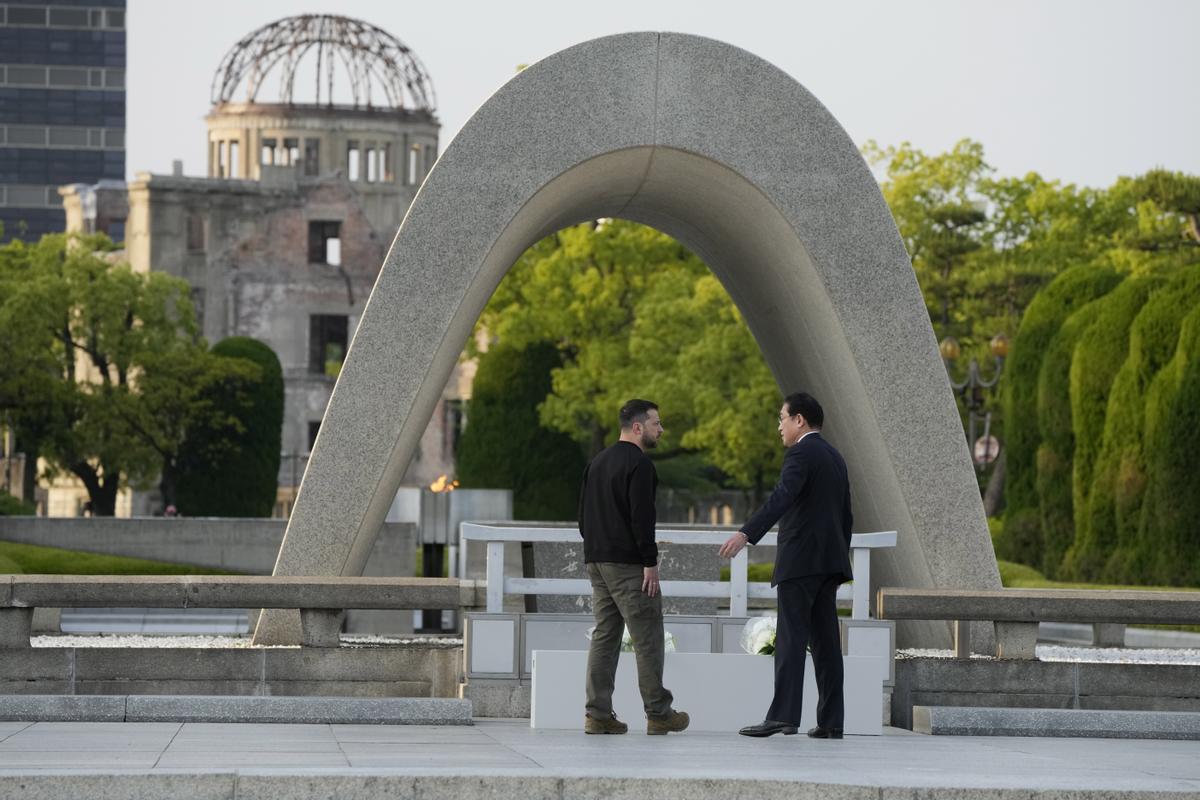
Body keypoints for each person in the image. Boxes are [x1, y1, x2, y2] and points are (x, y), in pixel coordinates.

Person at [719, 392, 853, 739]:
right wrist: (838, 557)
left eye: (782, 418)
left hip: (800, 562)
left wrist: (746, 533)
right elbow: (846, 516)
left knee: (791, 640)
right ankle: (831, 722)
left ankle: (783, 716)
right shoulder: (836, 457)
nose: (779, 426)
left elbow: (782, 496)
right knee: (826, 645)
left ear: (800, 420)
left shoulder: (800, 454)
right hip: (829, 564)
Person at [577, 399, 690, 736]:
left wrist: (598, 547)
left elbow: (583, 518)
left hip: (596, 560)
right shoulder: (639, 466)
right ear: (638, 427)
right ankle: (659, 712)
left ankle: (597, 715)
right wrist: (649, 563)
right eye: (656, 423)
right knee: (648, 637)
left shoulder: (597, 462)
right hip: (628, 564)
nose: (661, 429)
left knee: (605, 636)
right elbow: (643, 520)